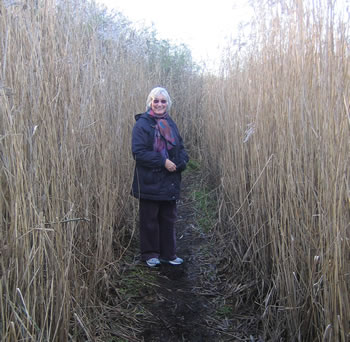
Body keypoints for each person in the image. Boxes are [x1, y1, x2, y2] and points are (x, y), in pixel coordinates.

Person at [131, 87, 189, 267]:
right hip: (149, 180)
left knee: (168, 218)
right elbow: (138, 153)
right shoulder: (142, 124)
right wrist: (162, 161)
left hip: (169, 180)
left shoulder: (170, 123)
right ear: (150, 102)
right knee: (149, 219)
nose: (159, 104)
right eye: (156, 101)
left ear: (168, 104)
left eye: (163, 101)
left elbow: (180, 148)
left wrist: (181, 163)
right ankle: (150, 255)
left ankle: (168, 254)